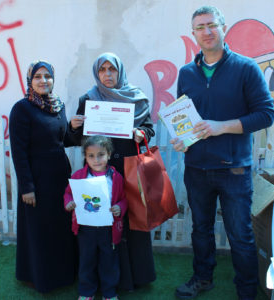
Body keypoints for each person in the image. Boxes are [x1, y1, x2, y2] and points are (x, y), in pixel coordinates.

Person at [171, 6, 274, 300]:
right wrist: (183, 140)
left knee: (240, 235)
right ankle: (203, 278)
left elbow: (265, 115)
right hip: (196, 167)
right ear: (193, 34)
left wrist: (222, 127)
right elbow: (186, 121)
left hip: (234, 169)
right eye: (199, 27)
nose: (206, 32)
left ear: (223, 27)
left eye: (211, 25)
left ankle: (246, 291)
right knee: (200, 230)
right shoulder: (187, 73)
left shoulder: (246, 68)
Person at [69, 52, 156, 290]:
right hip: (98, 170)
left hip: (128, 169)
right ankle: (99, 280)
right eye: (102, 70)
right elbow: (77, 138)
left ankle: (133, 277)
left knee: (130, 219)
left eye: (112, 69)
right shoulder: (88, 99)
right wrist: (73, 126)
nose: (108, 74)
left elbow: (148, 127)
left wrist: (142, 134)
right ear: (97, 73)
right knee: (100, 222)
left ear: (120, 71)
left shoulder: (136, 98)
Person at [9, 60, 77, 293]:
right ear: (30, 80)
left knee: (60, 227)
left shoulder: (58, 106)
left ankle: (63, 274)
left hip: (60, 177)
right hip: (36, 180)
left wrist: (75, 127)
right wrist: (26, 186)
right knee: (39, 229)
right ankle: (38, 277)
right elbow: (18, 151)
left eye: (47, 76)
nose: (43, 81)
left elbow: (65, 140)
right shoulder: (22, 108)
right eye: (37, 76)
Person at [64, 135, 128, 300]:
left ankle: (109, 292)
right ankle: (86, 292)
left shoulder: (116, 177)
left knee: (109, 262)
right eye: (91, 156)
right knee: (87, 261)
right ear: (85, 157)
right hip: (86, 230)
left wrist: (119, 208)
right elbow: (68, 194)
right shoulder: (79, 176)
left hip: (109, 230)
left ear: (108, 154)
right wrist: (69, 203)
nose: (96, 159)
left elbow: (123, 199)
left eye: (101, 154)